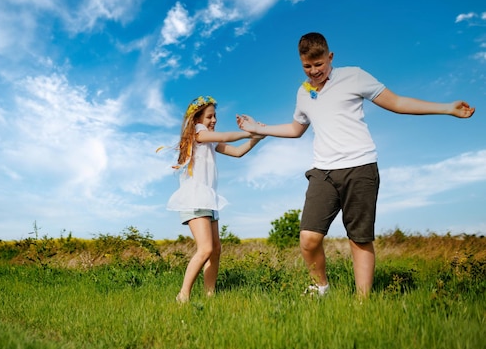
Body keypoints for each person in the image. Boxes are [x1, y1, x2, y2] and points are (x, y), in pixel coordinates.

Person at [237, 32, 475, 297]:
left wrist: (446, 108)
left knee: (359, 239)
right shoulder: (303, 92)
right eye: (307, 66)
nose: (314, 71)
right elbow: (296, 129)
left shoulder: (354, 76)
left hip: (360, 167)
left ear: (330, 57)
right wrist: (260, 128)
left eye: (319, 65)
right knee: (308, 238)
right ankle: (320, 288)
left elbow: (396, 102)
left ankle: (363, 304)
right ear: (301, 63)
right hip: (323, 171)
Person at [165, 95, 264, 303]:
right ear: (198, 119)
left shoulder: (209, 141)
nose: (214, 120)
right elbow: (227, 137)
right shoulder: (198, 133)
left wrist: (256, 138)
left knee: (216, 249)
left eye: (215, 116)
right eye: (210, 116)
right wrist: (250, 131)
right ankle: (183, 295)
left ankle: (210, 294)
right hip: (195, 198)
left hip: (208, 198)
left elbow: (237, 152)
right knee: (206, 248)